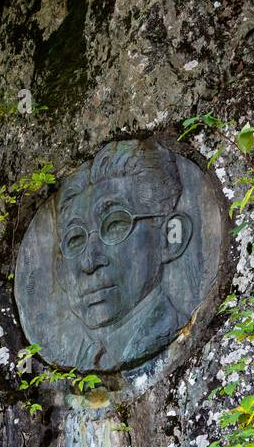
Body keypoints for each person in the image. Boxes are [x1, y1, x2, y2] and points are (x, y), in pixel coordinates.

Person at [55, 140, 193, 370]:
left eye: (115, 225)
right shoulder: (84, 358)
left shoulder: (170, 328)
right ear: (59, 271)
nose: (89, 262)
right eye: (75, 239)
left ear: (170, 238)